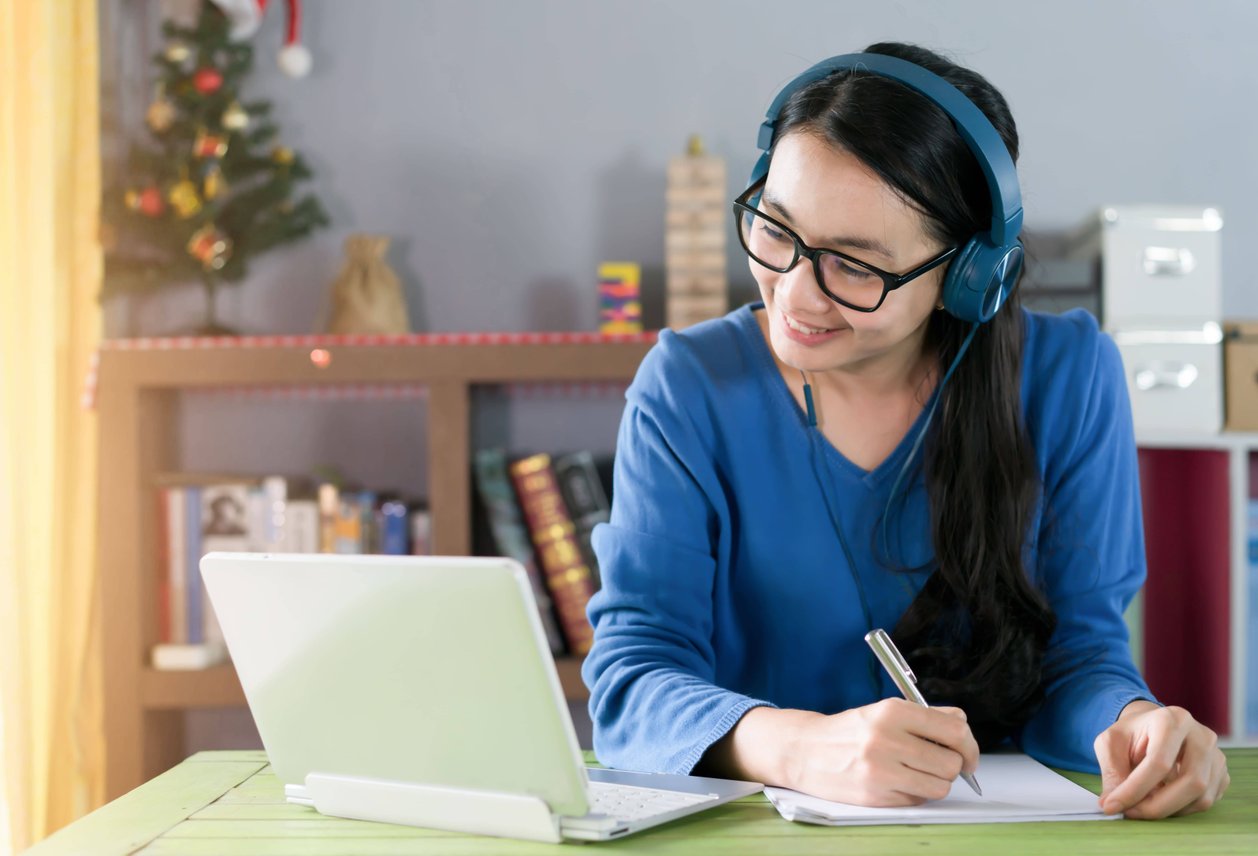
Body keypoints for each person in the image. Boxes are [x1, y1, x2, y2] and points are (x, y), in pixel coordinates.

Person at [582, 42, 1229, 820]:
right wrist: (801, 748)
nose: (795, 294)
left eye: (855, 266)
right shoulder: (689, 386)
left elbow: (1080, 657)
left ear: (965, 279)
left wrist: (1133, 723)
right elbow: (633, 683)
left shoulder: (1070, 377)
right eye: (775, 229)